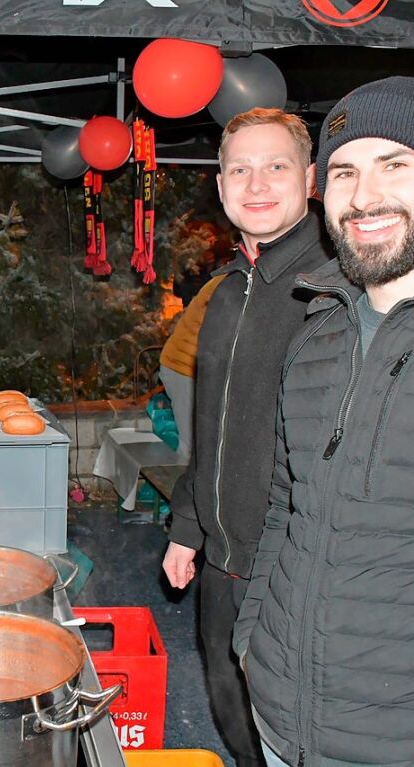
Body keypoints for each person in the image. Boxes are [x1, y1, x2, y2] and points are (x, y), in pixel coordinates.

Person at [234, 76, 414, 767]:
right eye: (344, 172)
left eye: (394, 165)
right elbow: (286, 504)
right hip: (280, 718)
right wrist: (250, 637)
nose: (364, 197)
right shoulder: (316, 332)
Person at [161, 107, 332, 767]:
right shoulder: (229, 289)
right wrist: (186, 523)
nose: (255, 183)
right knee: (230, 710)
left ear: (310, 179)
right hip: (224, 560)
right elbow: (212, 423)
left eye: (275, 166)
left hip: (291, 570)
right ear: (219, 182)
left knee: (289, 733)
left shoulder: (331, 284)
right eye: (239, 168)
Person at [158, 273, 225, 462]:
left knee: (201, 443)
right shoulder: (230, 284)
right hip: (183, 368)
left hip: (192, 368)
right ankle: (183, 490)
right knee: (191, 448)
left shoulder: (230, 279)